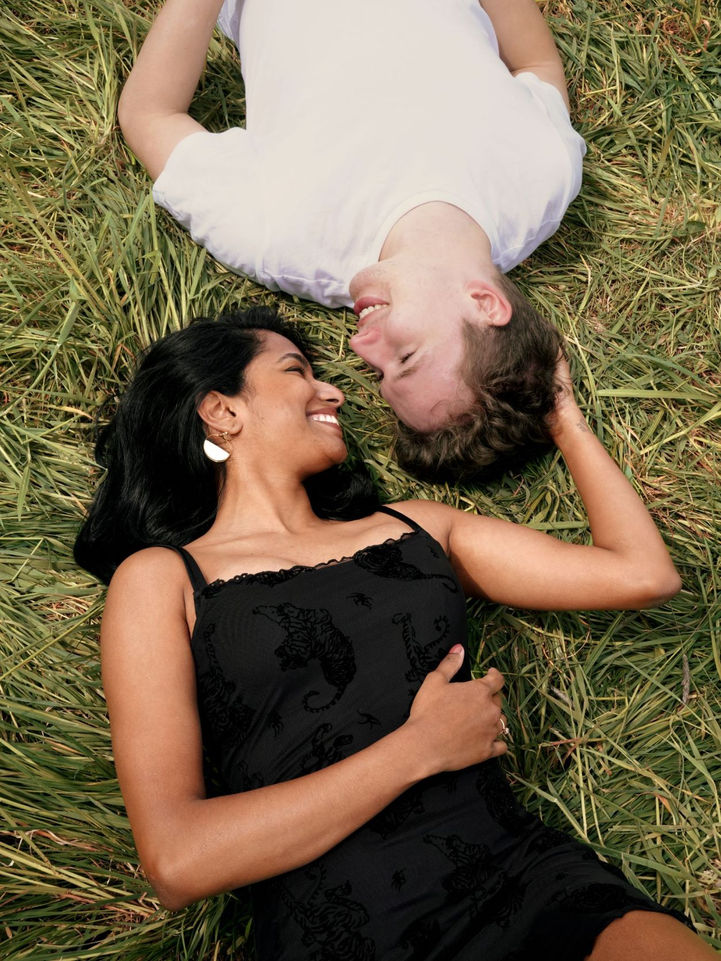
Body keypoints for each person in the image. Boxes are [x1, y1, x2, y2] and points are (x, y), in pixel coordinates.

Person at [74, 306, 717, 960]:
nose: (333, 391)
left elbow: (641, 573)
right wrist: (421, 747)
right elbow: (180, 859)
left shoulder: (416, 527)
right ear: (221, 410)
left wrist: (558, 411)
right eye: (297, 371)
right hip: (343, 927)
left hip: (522, 875)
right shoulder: (161, 580)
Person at [117, 0, 587, 480]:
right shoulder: (544, 177)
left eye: (378, 373)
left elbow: (149, 116)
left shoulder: (288, 243)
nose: (362, 347)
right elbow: (536, 64)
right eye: (405, 356)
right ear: (485, 304)